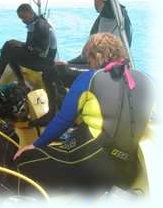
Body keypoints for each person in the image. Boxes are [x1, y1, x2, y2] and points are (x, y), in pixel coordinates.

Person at [13, 33, 154, 194]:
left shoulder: (90, 78)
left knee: (23, 161)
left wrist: (34, 145)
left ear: (95, 56)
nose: (89, 64)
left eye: (89, 59)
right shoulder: (147, 81)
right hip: (127, 172)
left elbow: (63, 120)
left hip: (90, 165)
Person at [56, 0, 132, 87]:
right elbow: (89, 55)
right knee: (61, 67)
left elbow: (112, 7)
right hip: (109, 69)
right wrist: (68, 63)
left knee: (56, 71)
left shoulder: (114, 16)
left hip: (108, 73)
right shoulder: (107, 17)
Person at [0, 4, 57, 88]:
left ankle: (0, 77)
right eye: (21, 18)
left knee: (9, 50)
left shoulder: (41, 25)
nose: (23, 20)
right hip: (39, 57)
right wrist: (20, 44)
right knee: (9, 45)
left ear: (31, 12)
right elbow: (33, 45)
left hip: (45, 62)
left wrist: (21, 45)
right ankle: (9, 77)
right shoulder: (36, 22)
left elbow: (40, 50)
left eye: (24, 17)